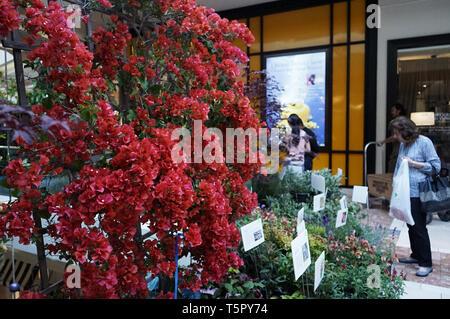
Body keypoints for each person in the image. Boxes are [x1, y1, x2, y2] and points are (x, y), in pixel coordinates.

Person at [389, 116, 441, 277]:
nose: (396, 137)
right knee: (410, 225)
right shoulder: (404, 144)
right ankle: (416, 255)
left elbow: (436, 167)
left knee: (419, 227)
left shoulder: (424, 142)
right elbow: (399, 165)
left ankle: (426, 263)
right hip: (405, 192)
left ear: (406, 131)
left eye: (397, 133)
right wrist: (395, 185)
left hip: (419, 192)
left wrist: (413, 163)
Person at [279, 114, 311, 179]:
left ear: (289, 123)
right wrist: (300, 150)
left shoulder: (288, 133)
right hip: (300, 165)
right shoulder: (304, 133)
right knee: (297, 187)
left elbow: (285, 148)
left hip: (289, 164)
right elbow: (308, 150)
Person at [379, 103, 407, 173]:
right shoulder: (407, 121)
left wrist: (382, 142)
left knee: (392, 170)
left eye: (393, 110)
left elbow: (395, 137)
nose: (391, 112)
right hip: (406, 149)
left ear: (398, 111)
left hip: (397, 149)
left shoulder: (395, 122)